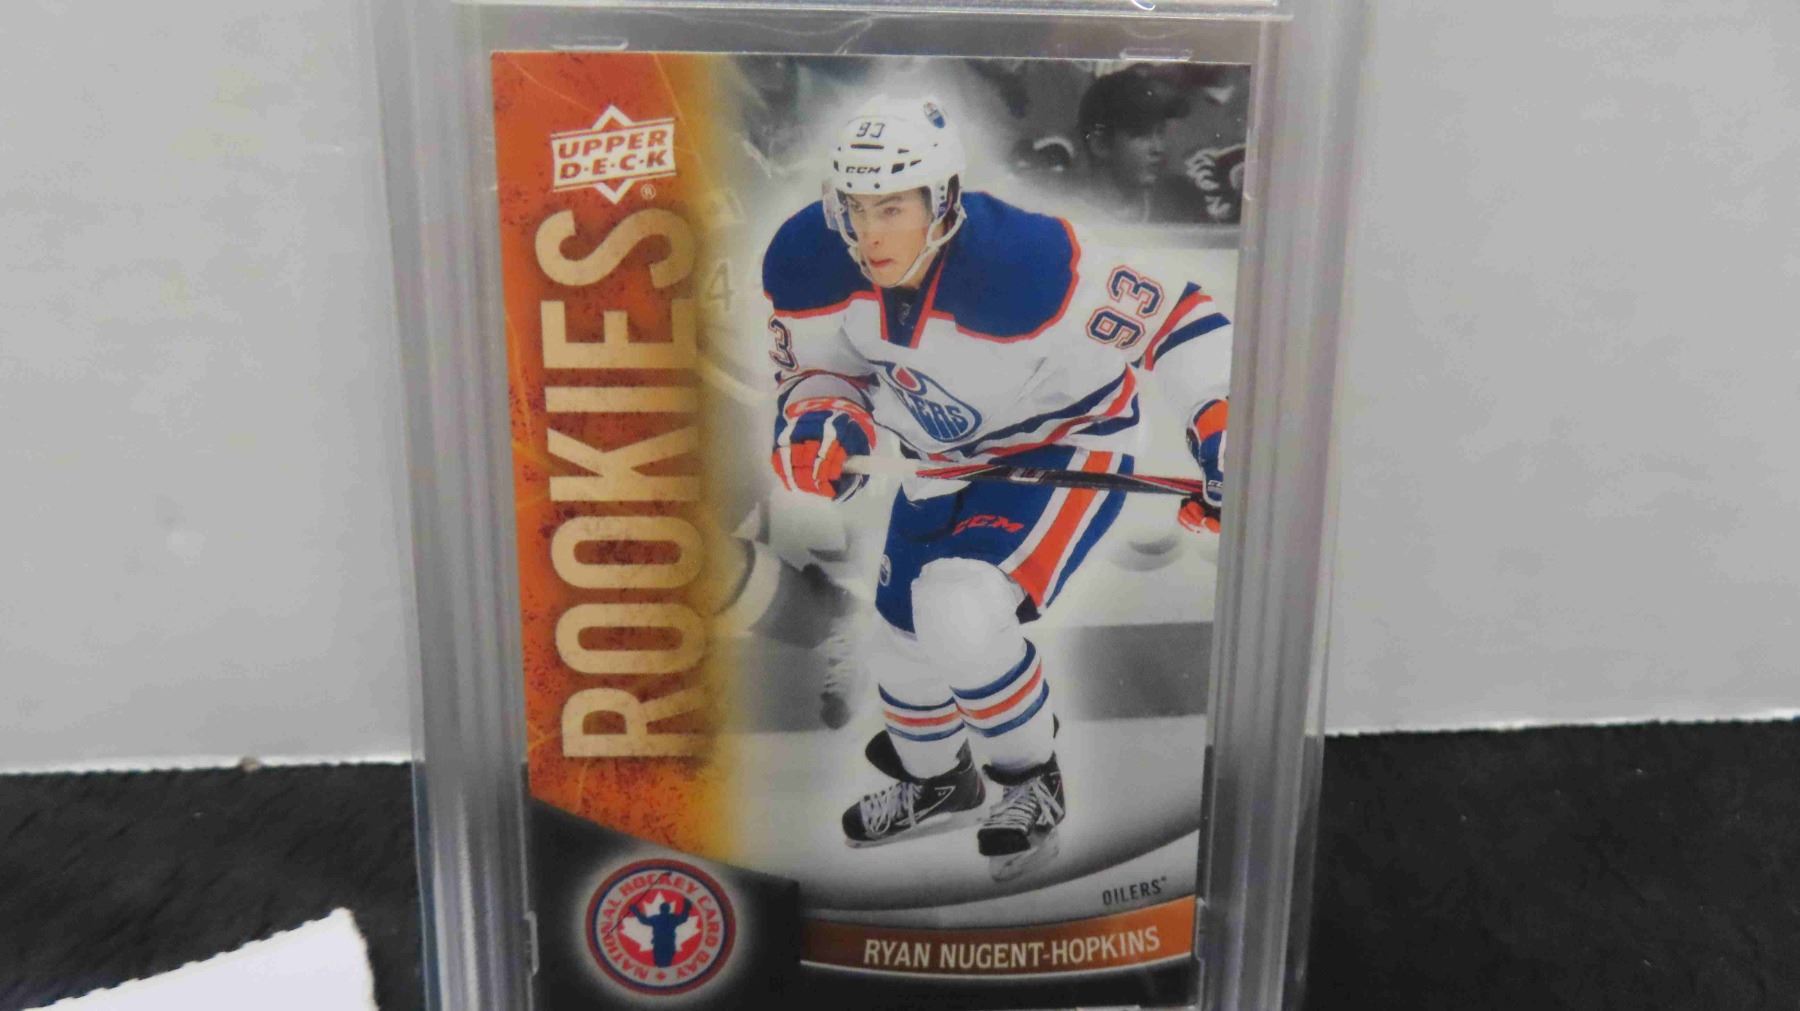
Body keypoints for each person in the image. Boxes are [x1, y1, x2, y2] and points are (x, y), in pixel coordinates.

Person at [761, 95, 1231, 877]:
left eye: (892, 207)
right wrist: (823, 420)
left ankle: (1030, 778)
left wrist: (1220, 427)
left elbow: (1179, 318)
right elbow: (821, 370)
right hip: (935, 455)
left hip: (1062, 437)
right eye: (854, 206)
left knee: (960, 605)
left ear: (942, 198)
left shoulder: (1028, 261)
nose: (869, 233)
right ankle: (940, 779)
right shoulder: (806, 256)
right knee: (900, 645)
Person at [1077, 67, 1218, 225]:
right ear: (1100, 144)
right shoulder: (1068, 214)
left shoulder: (1185, 204)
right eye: (1142, 133)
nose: (1158, 148)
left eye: (1160, 132)